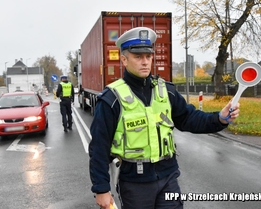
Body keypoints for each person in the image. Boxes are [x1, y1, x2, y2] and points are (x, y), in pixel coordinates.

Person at [89, 27, 240, 209]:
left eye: (148, 56)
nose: (145, 62)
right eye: (138, 57)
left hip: (168, 176)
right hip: (134, 183)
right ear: (124, 59)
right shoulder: (111, 99)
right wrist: (101, 189)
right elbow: (99, 147)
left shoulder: (166, 91)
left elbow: (189, 118)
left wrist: (220, 118)